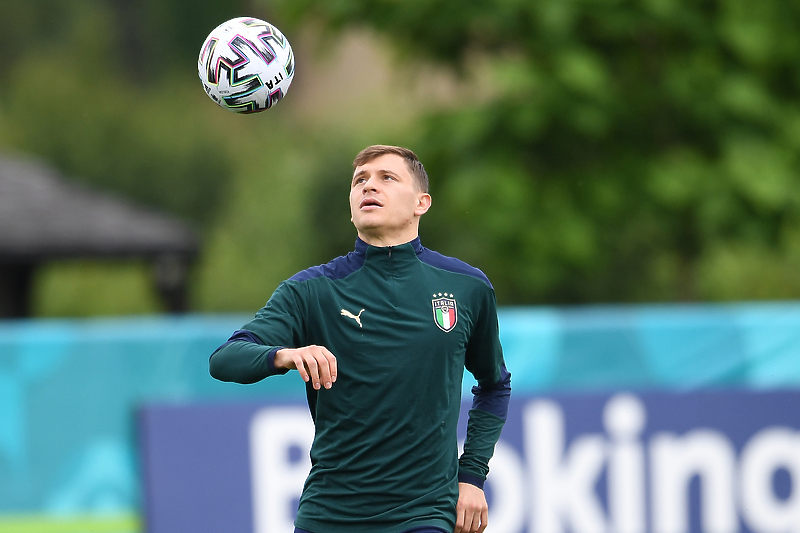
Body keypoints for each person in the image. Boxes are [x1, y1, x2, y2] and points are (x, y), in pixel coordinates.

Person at [209, 145, 511, 533]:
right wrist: (283, 355)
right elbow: (224, 359)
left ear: (422, 202)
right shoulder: (311, 291)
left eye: (387, 177)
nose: (370, 186)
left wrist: (471, 476)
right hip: (328, 515)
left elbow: (494, 384)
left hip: (424, 514)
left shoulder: (466, 287)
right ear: (351, 205)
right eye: (360, 180)